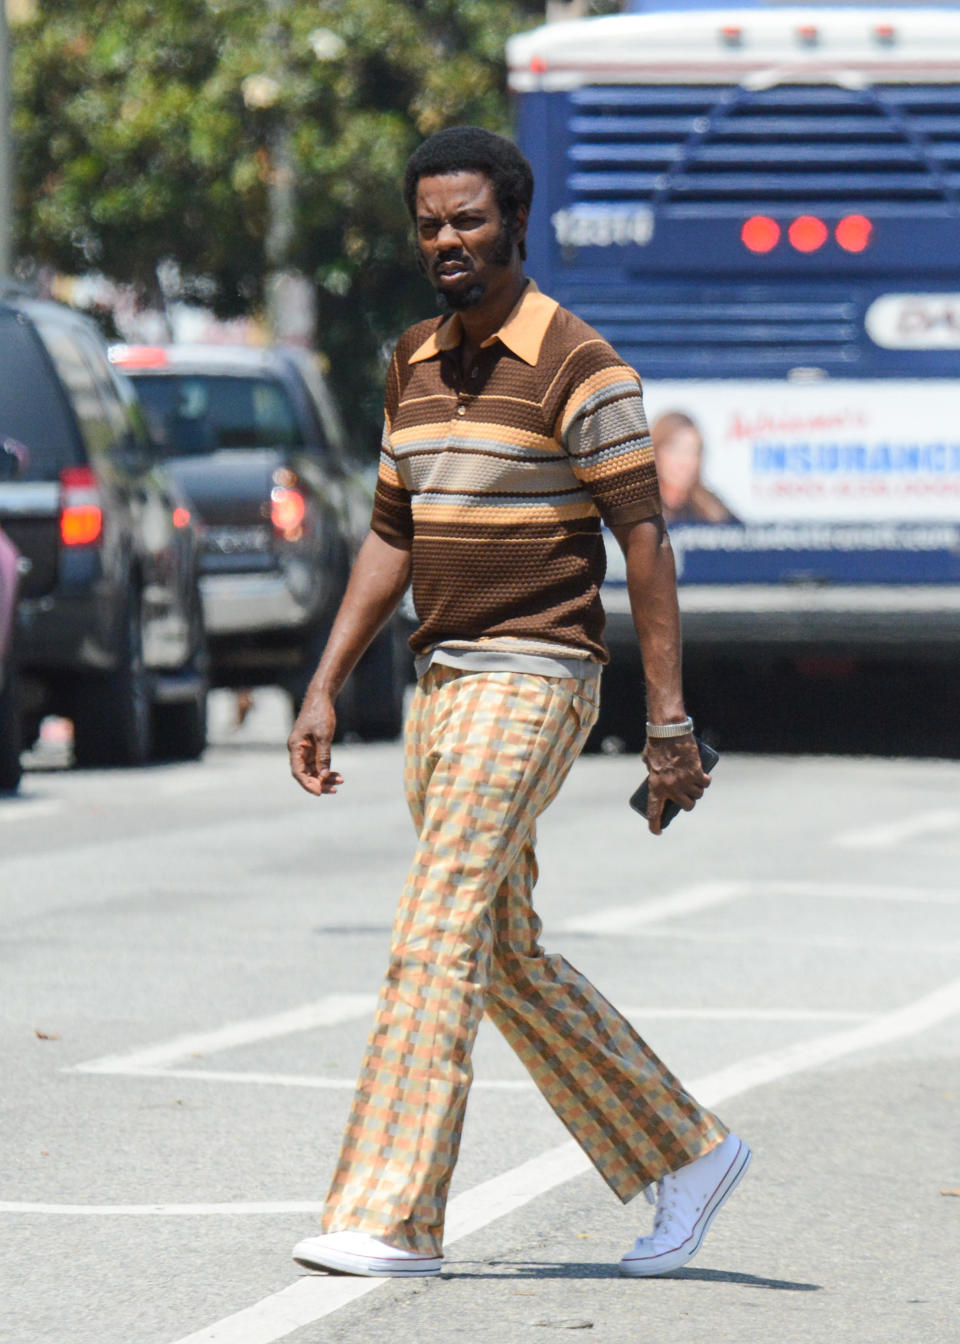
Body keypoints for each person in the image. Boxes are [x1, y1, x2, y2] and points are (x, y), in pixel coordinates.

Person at [287, 126, 750, 1280]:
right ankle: (685, 1151)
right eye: (431, 222)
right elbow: (393, 535)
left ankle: (391, 1215)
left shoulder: (581, 365)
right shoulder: (411, 361)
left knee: (434, 925)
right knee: (501, 949)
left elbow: (645, 545)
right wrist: (325, 682)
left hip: (537, 673)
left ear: (516, 224)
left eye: (470, 219)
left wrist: (669, 723)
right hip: (443, 682)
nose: (448, 239)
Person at [651, 411, 739, 525]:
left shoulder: (710, 505)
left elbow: (743, 536)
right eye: (676, 450)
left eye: (693, 451)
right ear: (656, 452)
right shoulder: (640, 506)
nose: (686, 460)